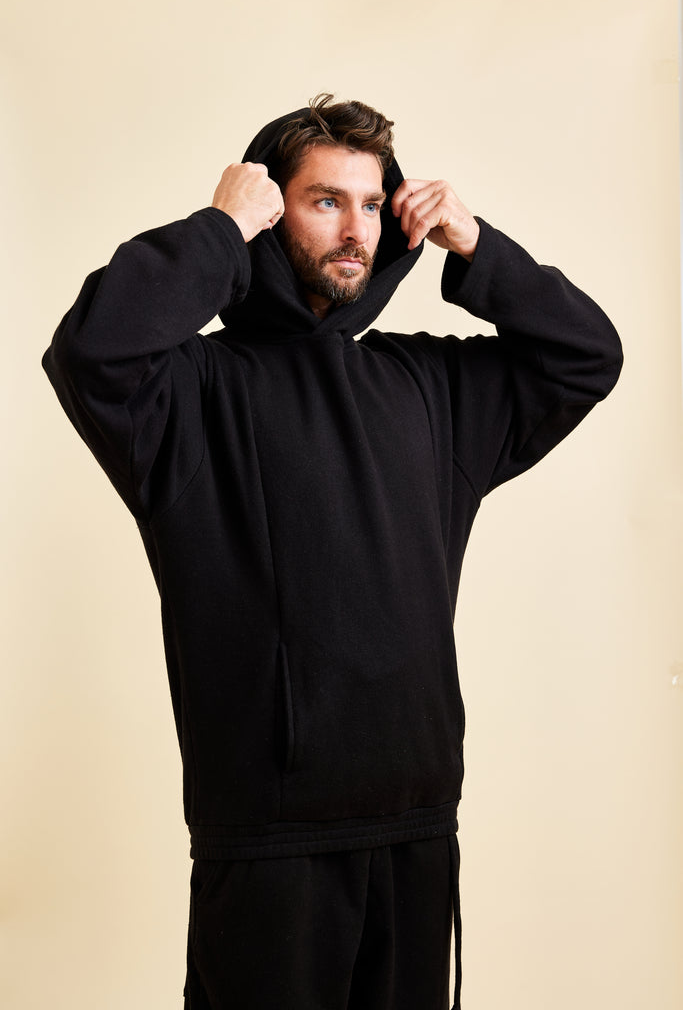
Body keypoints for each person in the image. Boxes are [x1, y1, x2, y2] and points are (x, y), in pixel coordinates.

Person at [43, 93, 623, 1010]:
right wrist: (216, 229)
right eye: (324, 201)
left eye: (370, 203)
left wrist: (478, 247)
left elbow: (585, 356)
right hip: (269, 840)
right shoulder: (188, 394)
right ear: (271, 211)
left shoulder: (430, 387)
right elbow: (90, 353)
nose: (354, 229)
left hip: (416, 824)